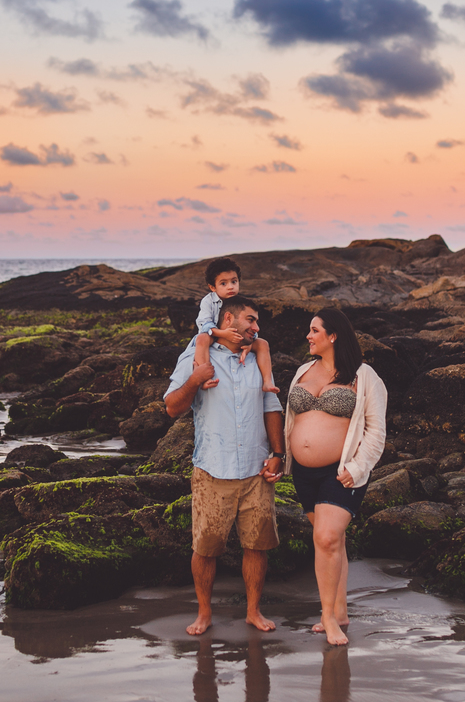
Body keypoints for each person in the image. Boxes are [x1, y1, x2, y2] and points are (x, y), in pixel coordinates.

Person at [164, 294, 286, 636]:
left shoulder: (257, 358)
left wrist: (279, 454)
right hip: (212, 470)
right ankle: (204, 613)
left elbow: (270, 403)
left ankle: (253, 612)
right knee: (205, 549)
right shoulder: (196, 355)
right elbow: (172, 407)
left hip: (256, 470)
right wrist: (195, 378)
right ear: (229, 320)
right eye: (251, 320)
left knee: (257, 546)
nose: (256, 328)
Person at [283, 308, 387, 645]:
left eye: (314, 330)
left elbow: (376, 432)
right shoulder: (303, 370)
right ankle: (340, 610)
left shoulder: (364, 376)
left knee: (326, 539)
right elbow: (290, 420)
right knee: (332, 542)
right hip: (303, 474)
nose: (308, 336)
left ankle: (328, 618)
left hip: (341, 472)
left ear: (333, 335)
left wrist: (356, 469)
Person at [191, 258, 278, 393]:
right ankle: (205, 378)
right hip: (213, 335)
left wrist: (250, 343)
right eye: (223, 283)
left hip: (236, 338)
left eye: (234, 281)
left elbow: (250, 326)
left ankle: (267, 381)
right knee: (201, 339)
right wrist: (222, 333)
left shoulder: (240, 303)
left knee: (262, 344)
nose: (230, 287)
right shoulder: (208, 301)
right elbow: (205, 324)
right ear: (213, 287)